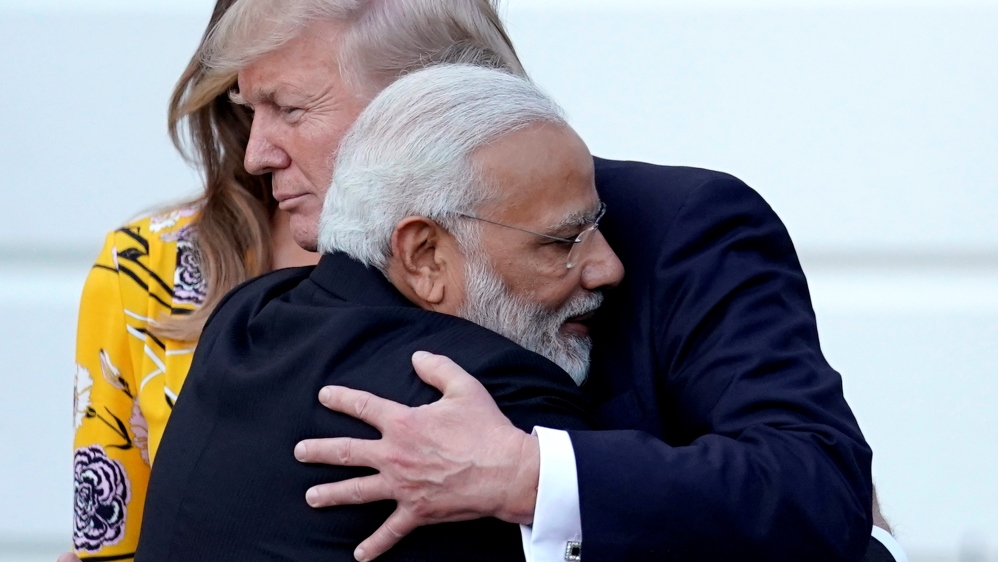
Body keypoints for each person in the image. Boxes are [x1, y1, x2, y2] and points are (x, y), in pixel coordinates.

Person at [66, 0, 904, 561]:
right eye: (250, 112)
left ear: (431, 96)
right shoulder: (197, 291)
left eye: (293, 108)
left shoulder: (676, 227)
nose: (258, 152)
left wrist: (533, 476)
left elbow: (814, 484)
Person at [135, 63, 619, 562]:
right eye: (563, 240)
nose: (610, 268)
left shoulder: (247, 318)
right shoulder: (489, 399)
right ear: (424, 255)